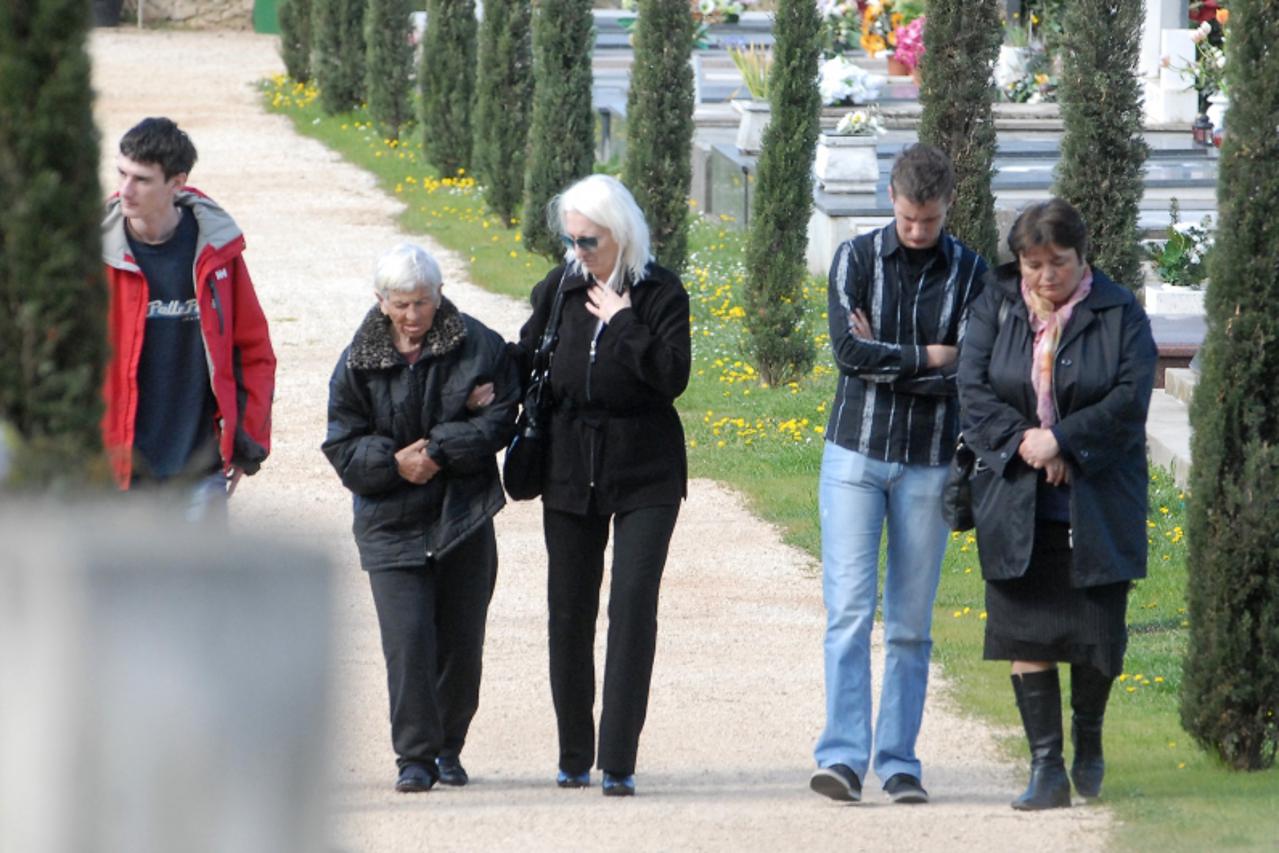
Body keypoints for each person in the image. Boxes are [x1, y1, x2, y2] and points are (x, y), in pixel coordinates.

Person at [957, 198, 1156, 809]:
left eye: (1058, 262)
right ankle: (1046, 769)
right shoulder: (996, 305)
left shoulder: (1118, 311)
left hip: (1096, 500)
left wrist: (1066, 440)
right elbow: (972, 386)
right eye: (1033, 263)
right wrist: (1029, 444)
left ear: (1082, 256)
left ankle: (1088, 741)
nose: (1046, 276)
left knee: (1097, 638)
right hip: (1017, 498)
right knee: (1026, 633)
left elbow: (1129, 397)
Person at [811, 144, 988, 805]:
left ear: (946, 208)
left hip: (928, 459)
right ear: (891, 197)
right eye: (910, 219)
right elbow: (847, 352)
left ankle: (898, 759)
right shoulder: (854, 259)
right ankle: (842, 755)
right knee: (850, 611)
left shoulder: (970, 271)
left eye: (930, 221)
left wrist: (904, 359)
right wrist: (928, 357)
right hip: (855, 454)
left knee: (911, 622)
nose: (917, 232)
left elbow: (969, 368)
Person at [515, 174, 690, 797]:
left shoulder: (661, 293)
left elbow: (672, 376)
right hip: (569, 463)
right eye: (570, 239)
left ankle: (618, 758)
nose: (578, 250)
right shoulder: (559, 286)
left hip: (645, 468)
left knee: (632, 608)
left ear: (619, 234)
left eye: (588, 240)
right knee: (568, 611)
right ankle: (572, 753)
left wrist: (621, 323)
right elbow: (526, 357)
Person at [323, 243, 519, 793]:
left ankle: (448, 748)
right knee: (408, 643)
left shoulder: (477, 344)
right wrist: (393, 463)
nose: (414, 316)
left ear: (440, 295)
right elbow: (341, 445)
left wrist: (436, 448)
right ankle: (414, 757)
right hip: (391, 522)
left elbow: (504, 416)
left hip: (464, 515)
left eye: (424, 302)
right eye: (403, 304)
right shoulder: (357, 361)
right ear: (382, 302)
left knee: (461, 643)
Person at [101, 117, 276, 520]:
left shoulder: (217, 255)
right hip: (115, 475)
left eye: (141, 179)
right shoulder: (96, 256)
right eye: (122, 173)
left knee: (199, 586)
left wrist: (247, 440)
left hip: (198, 472)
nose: (125, 190)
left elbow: (252, 350)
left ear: (177, 183)